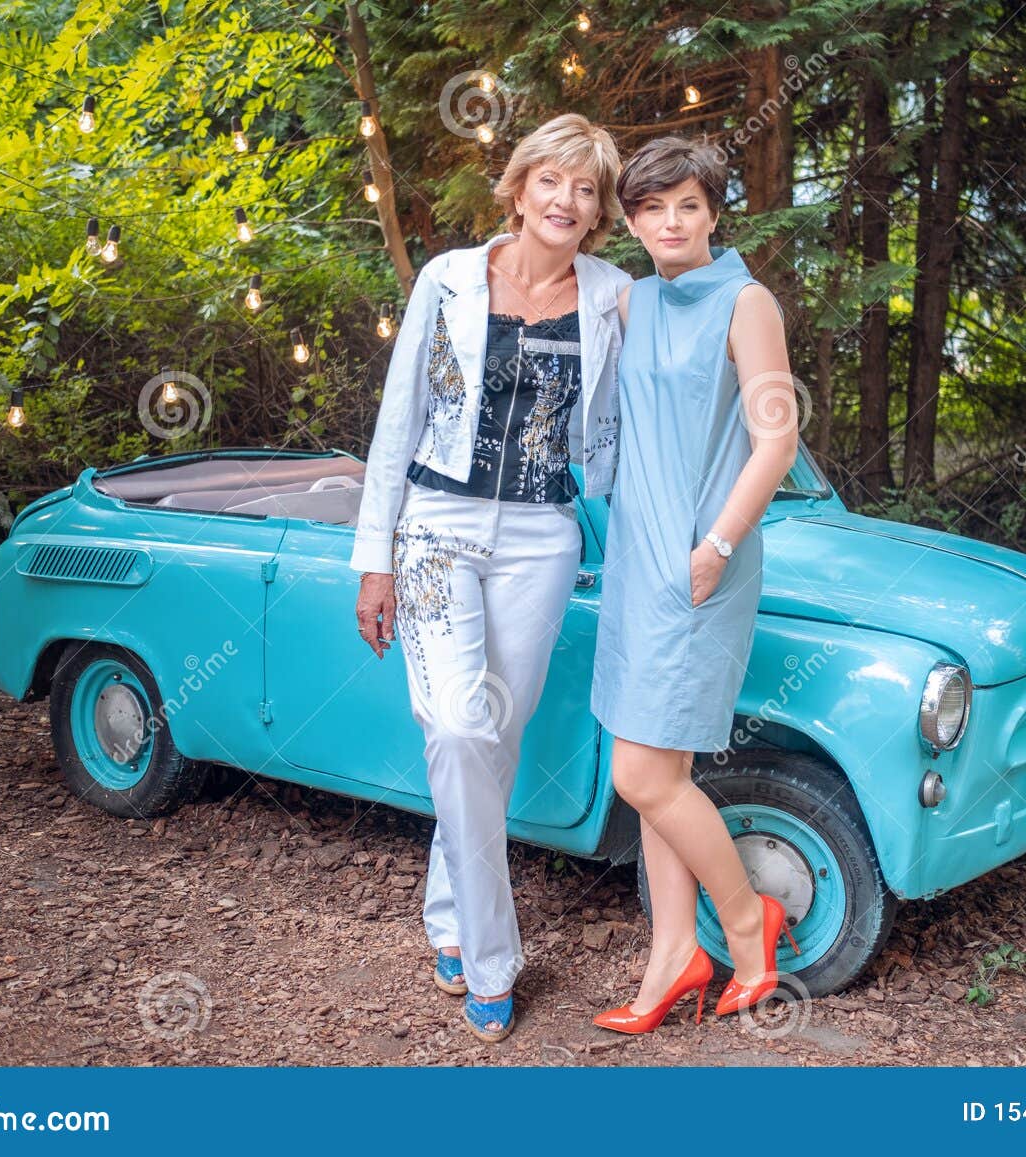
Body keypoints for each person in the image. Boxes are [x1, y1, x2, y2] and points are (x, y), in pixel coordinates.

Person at [351, 114, 632, 1043]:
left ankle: (445, 913)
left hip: (546, 537)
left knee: (492, 739)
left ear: (598, 213)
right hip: (437, 525)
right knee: (462, 725)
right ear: (517, 188)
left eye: (586, 190)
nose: (567, 201)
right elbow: (399, 419)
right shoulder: (448, 280)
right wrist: (375, 558)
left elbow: (660, 392)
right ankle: (491, 955)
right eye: (552, 181)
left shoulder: (614, 297)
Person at [589, 136, 801, 1034]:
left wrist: (715, 545)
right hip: (637, 558)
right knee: (653, 774)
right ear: (631, 221)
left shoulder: (748, 302)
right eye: (650, 209)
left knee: (644, 771)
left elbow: (777, 441)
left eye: (687, 205)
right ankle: (675, 954)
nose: (669, 223)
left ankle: (751, 926)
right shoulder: (633, 301)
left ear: (714, 211)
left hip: (700, 561)